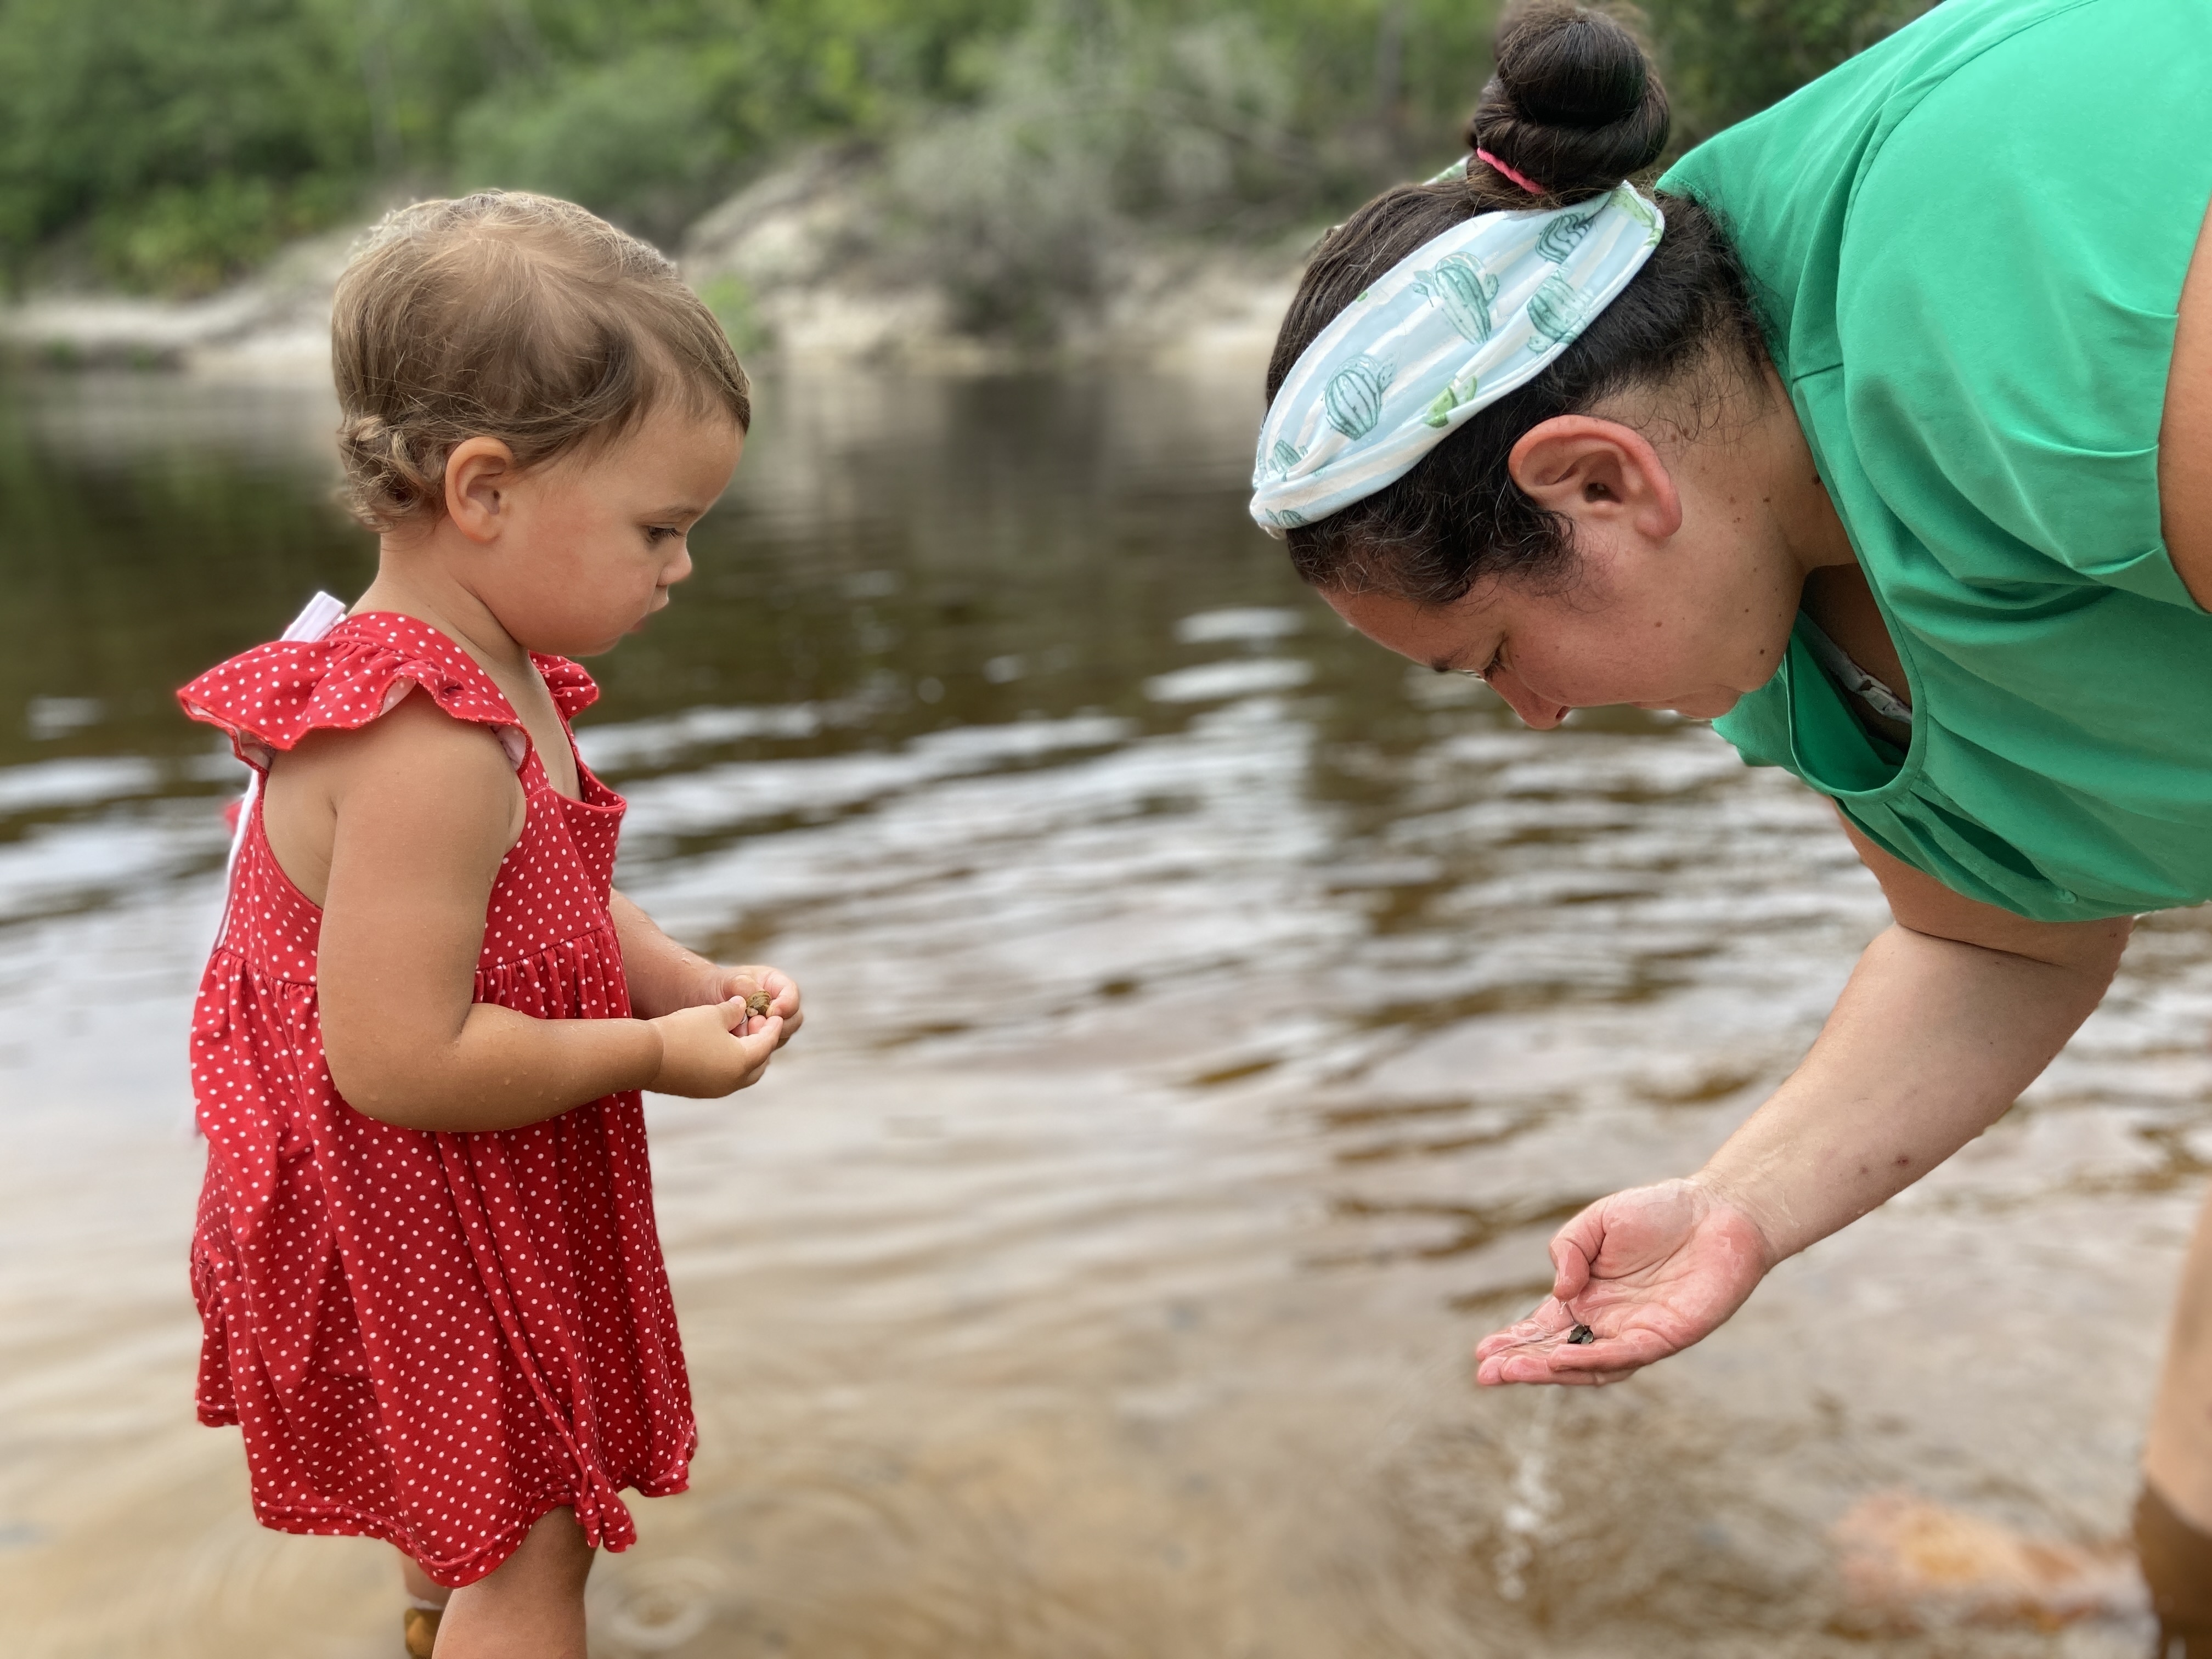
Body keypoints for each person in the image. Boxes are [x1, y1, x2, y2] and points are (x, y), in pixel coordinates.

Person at [1253, 0, 2212, 1646]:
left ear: (1600, 484)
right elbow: (1997, 928)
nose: (1534, 717)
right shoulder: (1751, 571)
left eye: (1494, 657)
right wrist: (1742, 1205)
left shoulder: (2029, 317)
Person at [176, 191, 802, 1659]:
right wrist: (649, 1050)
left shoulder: (498, 668)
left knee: (471, 1504)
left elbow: (557, 898)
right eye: (660, 526)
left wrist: (685, 976)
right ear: (484, 492)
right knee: (534, 1551)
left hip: (446, 1182)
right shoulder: (425, 743)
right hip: (411, 1192)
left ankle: (420, 1627)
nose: (681, 566)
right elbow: (398, 1057)